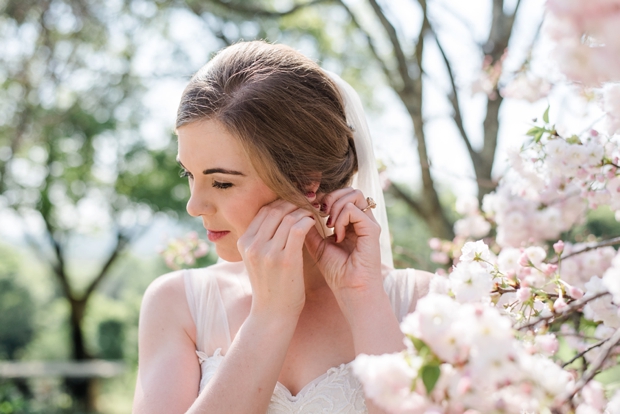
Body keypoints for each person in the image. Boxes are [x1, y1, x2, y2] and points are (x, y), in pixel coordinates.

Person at [133, 40, 432, 414]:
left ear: (306, 181)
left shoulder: (424, 303)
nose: (195, 206)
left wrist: (363, 296)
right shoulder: (178, 304)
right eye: (189, 174)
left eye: (222, 182)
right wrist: (269, 317)